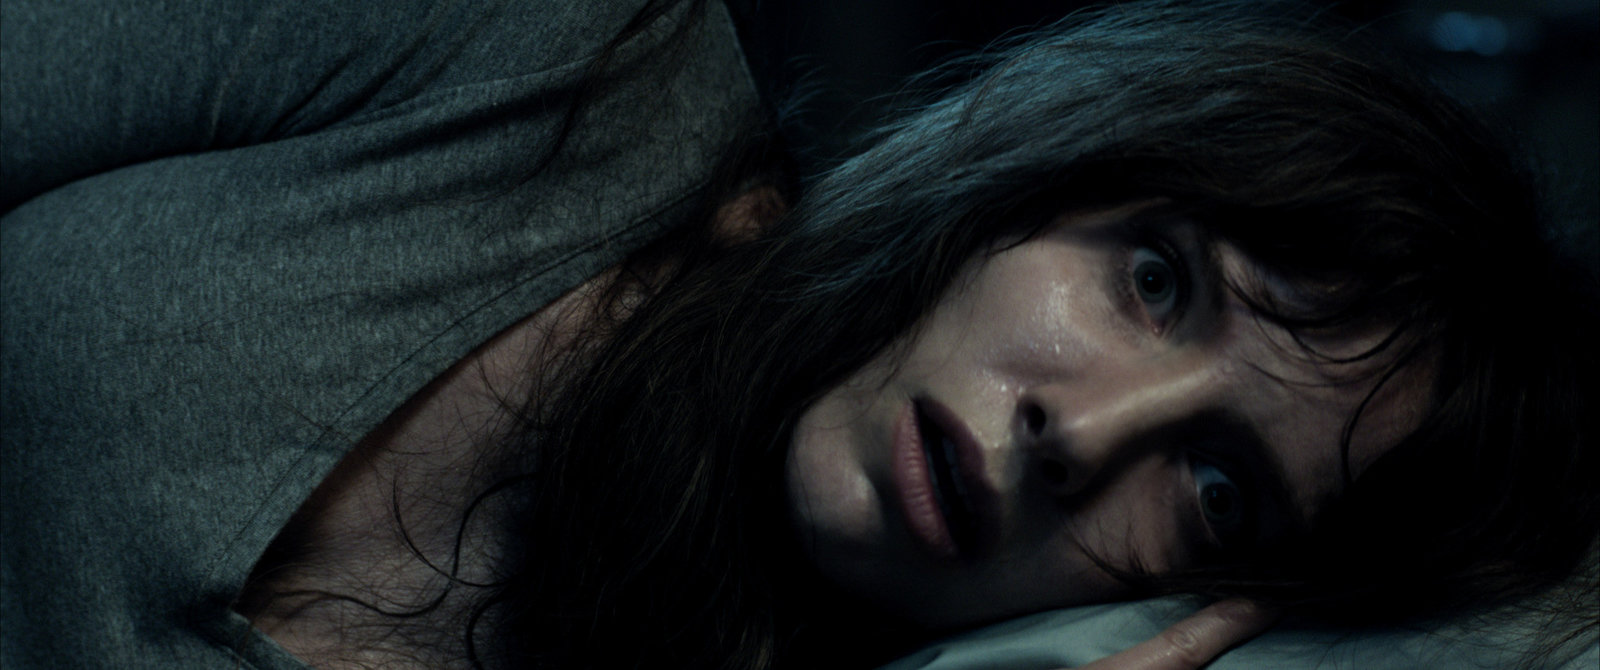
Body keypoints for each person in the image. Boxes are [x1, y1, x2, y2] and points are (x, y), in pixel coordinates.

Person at [1, 2, 1593, 670]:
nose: (1088, 432)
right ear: (1029, 179)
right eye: (1158, 282)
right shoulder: (544, 51)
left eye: (1219, 488)